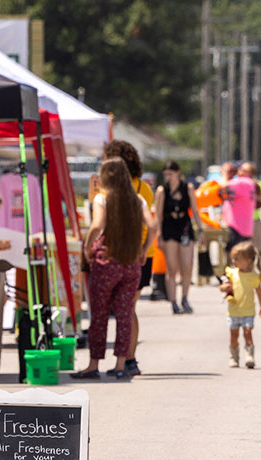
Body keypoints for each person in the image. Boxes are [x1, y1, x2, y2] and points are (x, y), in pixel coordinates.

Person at [72, 158, 157, 380]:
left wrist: (88, 247)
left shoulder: (103, 199)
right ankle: (120, 365)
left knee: (99, 315)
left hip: (106, 263)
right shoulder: (137, 200)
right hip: (131, 264)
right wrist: (144, 249)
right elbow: (153, 225)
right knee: (124, 315)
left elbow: (98, 225)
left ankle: (93, 364)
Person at [103, 140, 154, 375]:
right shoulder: (143, 187)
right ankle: (129, 358)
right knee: (128, 308)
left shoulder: (117, 188)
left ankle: (129, 359)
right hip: (142, 252)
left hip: (131, 253)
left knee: (127, 308)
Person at [154, 160, 202, 315]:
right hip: (169, 228)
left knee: (187, 266)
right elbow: (158, 215)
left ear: (178, 173)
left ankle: (185, 298)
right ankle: (173, 301)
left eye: (171, 174)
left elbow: (195, 210)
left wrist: (200, 230)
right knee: (172, 268)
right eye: (166, 174)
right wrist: (159, 235)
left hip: (185, 227)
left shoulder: (187, 188)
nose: (168, 177)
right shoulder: (162, 191)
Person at [219, 243, 261, 369]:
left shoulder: (253, 277)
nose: (234, 261)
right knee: (234, 335)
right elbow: (222, 286)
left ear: (248, 260)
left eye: (237, 259)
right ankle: (233, 356)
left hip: (248, 311)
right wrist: (225, 288)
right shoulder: (231, 273)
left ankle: (250, 355)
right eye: (233, 258)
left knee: (247, 332)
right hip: (233, 311)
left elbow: (259, 292)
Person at [238, 162, 261, 283]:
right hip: (240, 221)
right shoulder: (236, 184)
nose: (242, 172)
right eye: (241, 170)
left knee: (260, 248)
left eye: (245, 171)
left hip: (254, 219)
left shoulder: (256, 184)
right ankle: (245, 273)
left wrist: (255, 196)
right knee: (242, 249)